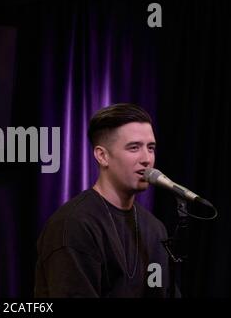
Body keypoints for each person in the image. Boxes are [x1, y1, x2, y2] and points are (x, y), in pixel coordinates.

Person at [34, 103, 171, 297]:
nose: (147, 158)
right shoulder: (75, 224)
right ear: (102, 156)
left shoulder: (155, 229)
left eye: (151, 148)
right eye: (134, 148)